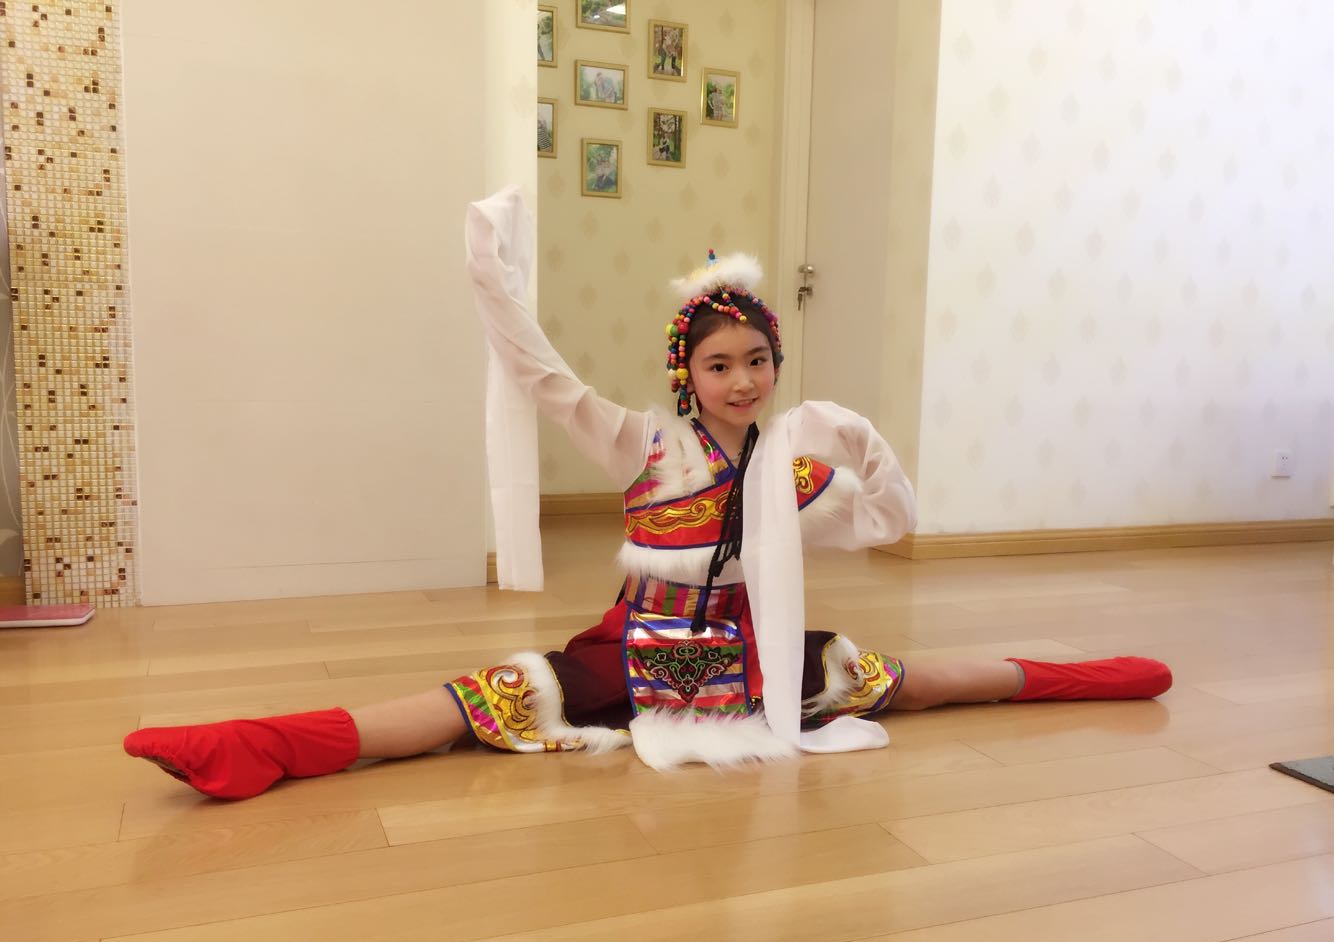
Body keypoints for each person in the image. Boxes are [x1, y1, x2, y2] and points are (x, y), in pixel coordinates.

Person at [122, 189, 1171, 800]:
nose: (743, 380)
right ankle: (261, 746)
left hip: (753, 660)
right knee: (474, 703)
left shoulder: (793, 466)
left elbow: (888, 523)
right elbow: (542, 377)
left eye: (757, 360)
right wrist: (490, 271)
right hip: (633, 649)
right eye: (720, 364)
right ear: (688, 375)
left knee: (925, 681)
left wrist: (859, 439)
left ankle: (1095, 678)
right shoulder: (641, 442)